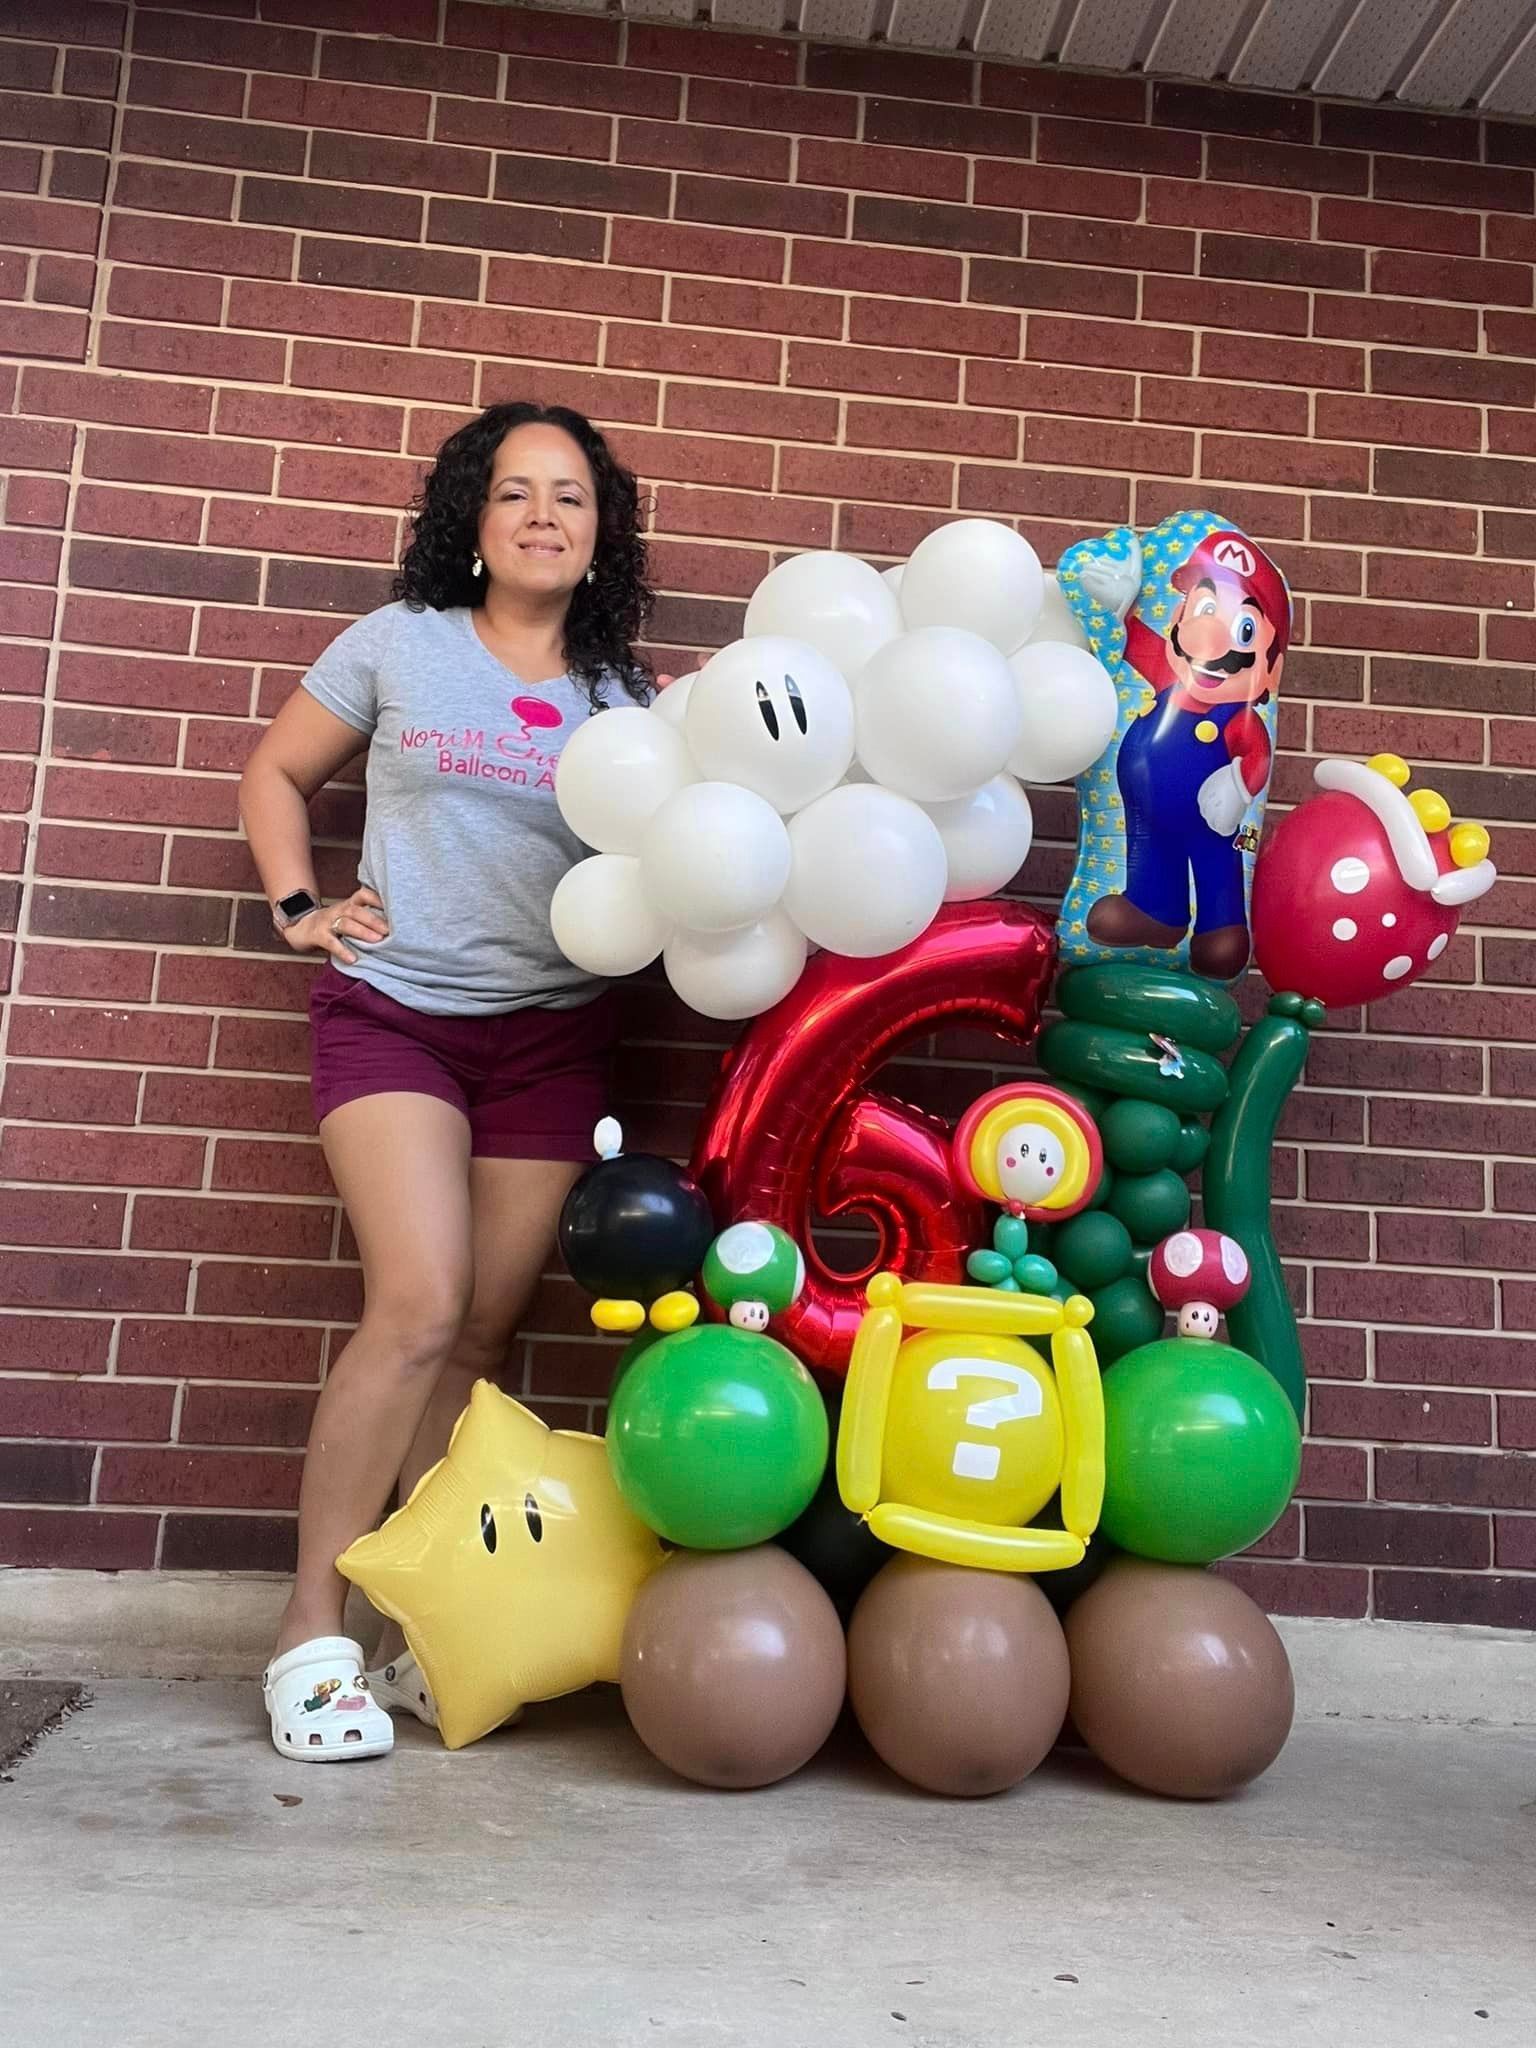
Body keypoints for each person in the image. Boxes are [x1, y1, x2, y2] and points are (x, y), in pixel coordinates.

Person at [239, 401, 654, 1761]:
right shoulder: (401, 643)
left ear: (599, 534)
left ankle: (426, 1629)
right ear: (474, 519)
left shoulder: (627, 703)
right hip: (397, 1017)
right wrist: (301, 904)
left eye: (571, 497)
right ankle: (311, 1635)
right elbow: (278, 770)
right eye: (516, 491)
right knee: (417, 1305)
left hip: (552, 1036)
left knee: (479, 1333)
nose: (544, 515)